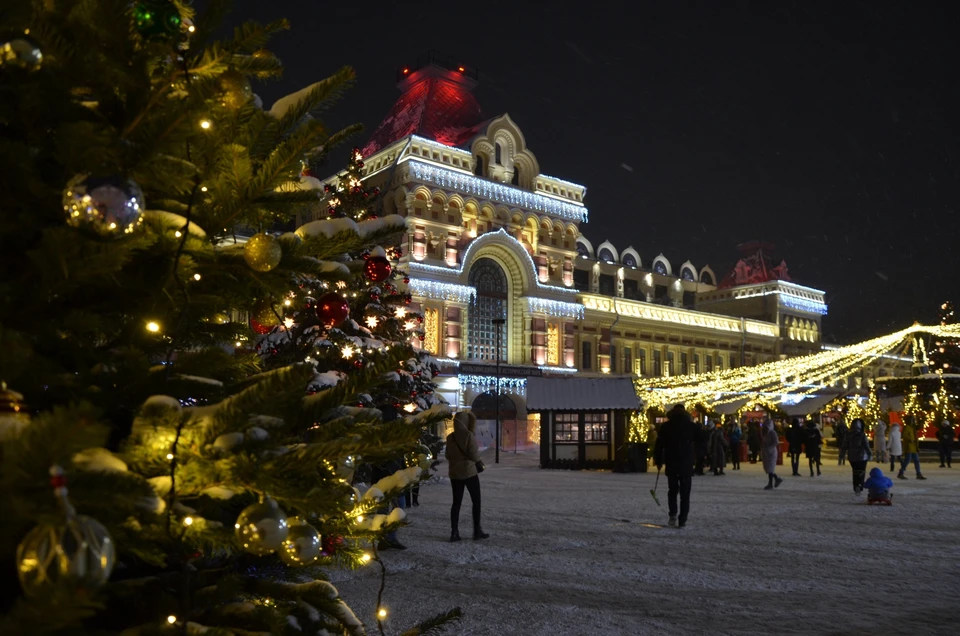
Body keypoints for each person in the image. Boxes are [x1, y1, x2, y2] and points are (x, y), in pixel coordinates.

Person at [654, 404, 699, 528]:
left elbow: (659, 446)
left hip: (672, 462)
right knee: (685, 494)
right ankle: (683, 519)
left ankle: (672, 514)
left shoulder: (666, 427)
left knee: (672, 491)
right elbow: (703, 439)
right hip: (686, 464)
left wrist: (658, 461)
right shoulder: (690, 426)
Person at [446, 411, 489, 541]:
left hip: (455, 473)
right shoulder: (468, 435)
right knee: (476, 501)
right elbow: (474, 455)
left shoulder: (450, 437)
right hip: (469, 472)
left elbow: (448, 455)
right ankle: (477, 530)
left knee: (456, 503)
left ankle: (454, 532)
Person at [843, 419, 872, 495]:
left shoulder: (848, 435)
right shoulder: (862, 435)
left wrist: (842, 454)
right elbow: (866, 445)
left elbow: (845, 445)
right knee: (861, 471)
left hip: (852, 456)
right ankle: (860, 485)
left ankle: (856, 485)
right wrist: (869, 453)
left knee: (855, 471)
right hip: (862, 456)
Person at [897, 416, 926, 480]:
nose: (913, 421)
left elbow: (919, 427)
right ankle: (901, 473)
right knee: (907, 460)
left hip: (914, 447)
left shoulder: (913, 427)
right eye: (912, 420)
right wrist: (910, 439)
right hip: (909, 446)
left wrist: (921, 422)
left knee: (916, 460)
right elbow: (904, 435)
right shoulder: (907, 427)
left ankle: (918, 473)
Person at [761, 418, 783, 490]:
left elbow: (776, 442)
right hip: (766, 452)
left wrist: (770, 448)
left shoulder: (772, 433)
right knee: (768, 468)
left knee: (770, 468)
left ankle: (771, 483)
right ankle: (776, 479)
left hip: (772, 452)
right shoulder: (764, 433)